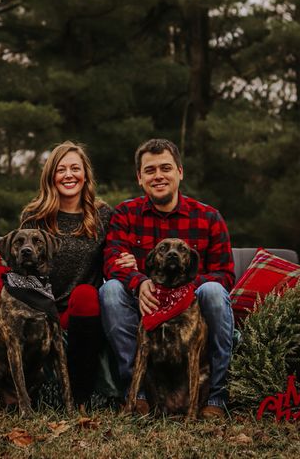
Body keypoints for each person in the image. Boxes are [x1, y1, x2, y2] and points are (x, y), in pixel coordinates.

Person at [0, 140, 116, 410]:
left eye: (75, 168)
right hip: (31, 300)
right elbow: (18, 260)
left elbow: (115, 253)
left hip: (70, 308)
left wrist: (126, 259)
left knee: (86, 295)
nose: (68, 175)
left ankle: (79, 398)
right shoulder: (35, 215)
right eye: (61, 169)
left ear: (85, 174)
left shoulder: (102, 214)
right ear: (51, 176)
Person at [99, 138, 235, 419]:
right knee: (111, 290)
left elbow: (225, 274)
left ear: (180, 172)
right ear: (139, 178)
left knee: (212, 290)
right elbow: (112, 262)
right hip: (144, 303)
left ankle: (217, 397)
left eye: (166, 168)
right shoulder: (125, 214)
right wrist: (139, 281)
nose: (158, 176)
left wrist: (186, 288)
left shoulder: (208, 217)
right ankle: (138, 394)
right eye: (150, 170)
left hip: (191, 307)